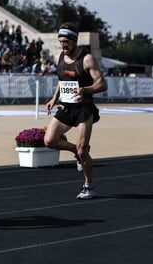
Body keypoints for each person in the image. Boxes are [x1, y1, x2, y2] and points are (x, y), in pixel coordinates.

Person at [44, 23, 107, 200]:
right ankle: (76, 153)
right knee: (49, 141)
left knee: (82, 150)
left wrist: (85, 90)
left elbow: (102, 84)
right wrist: (53, 99)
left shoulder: (87, 59)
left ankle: (89, 185)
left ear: (74, 40)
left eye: (66, 42)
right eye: (60, 41)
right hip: (66, 106)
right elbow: (62, 81)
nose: (63, 45)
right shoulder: (58, 58)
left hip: (84, 108)